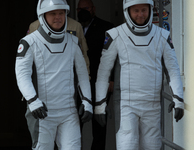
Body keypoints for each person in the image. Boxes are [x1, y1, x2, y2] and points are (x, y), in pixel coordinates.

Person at [94, 0, 184, 150]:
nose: (140, 14)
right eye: (136, 10)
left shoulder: (162, 35)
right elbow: (103, 72)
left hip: (153, 105)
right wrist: (99, 105)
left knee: (152, 147)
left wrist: (178, 99)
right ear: (127, 11)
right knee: (127, 146)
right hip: (127, 105)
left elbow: (173, 70)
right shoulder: (116, 35)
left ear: (150, 9)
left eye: (144, 10)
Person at [15, 0, 93, 150]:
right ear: (42, 16)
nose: (58, 17)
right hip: (42, 112)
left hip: (69, 112)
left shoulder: (73, 41)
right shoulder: (28, 42)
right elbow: (22, 75)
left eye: (61, 13)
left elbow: (82, 75)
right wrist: (33, 101)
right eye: (53, 14)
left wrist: (87, 101)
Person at [77, 0, 114, 149]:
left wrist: (111, 79)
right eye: (79, 9)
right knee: (75, 123)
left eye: (85, 8)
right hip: (79, 83)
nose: (82, 11)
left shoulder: (106, 27)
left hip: (100, 82)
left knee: (99, 124)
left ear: (93, 9)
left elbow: (113, 56)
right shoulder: (71, 27)